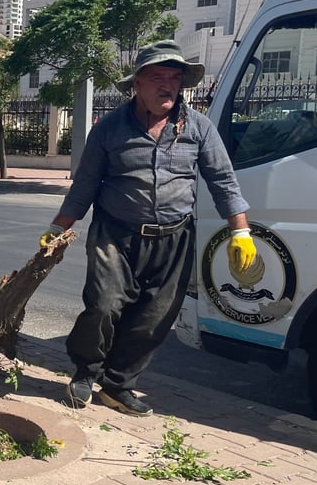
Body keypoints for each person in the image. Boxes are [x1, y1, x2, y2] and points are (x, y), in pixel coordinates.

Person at [40, 40, 256, 417]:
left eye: (174, 78)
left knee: (154, 319)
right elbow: (85, 186)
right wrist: (59, 227)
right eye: (158, 76)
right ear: (136, 84)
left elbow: (223, 181)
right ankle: (85, 372)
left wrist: (240, 232)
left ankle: (118, 384)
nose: (168, 85)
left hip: (174, 238)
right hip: (116, 235)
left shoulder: (199, 128)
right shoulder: (109, 130)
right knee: (104, 306)